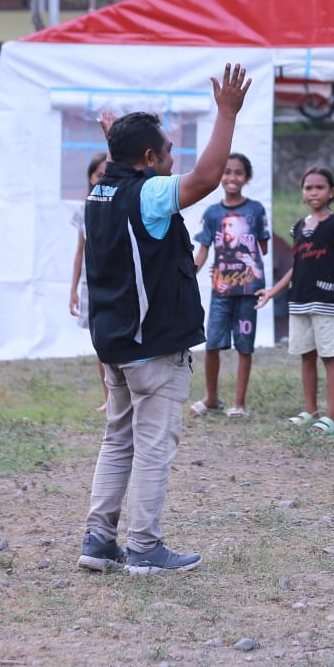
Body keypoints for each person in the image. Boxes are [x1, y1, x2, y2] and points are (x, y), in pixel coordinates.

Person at [79, 63, 251, 576]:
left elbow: (126, 167)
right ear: (149, 159)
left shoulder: (99, 191)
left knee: (118, 439)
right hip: (152, 346)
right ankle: (145, 547)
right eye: (167, 151)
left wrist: (117, 137)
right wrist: (226, 113)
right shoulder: (149, 193)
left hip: (114, 340)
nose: (173, 159)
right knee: (153, 446)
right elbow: (205, 178)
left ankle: (98, 540)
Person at [258, 167, 334, 435]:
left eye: (319, 187)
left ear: (331, 192)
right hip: (299, 301)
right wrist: (273, 291)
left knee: (329, 355)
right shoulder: (298, 227)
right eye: (308, 187)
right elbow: (296, 267)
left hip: (325, 299)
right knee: (306, 356)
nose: (313, 192)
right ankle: (311, 412)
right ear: (302, 192)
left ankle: (331, 417)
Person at [191, 153, 270, 419]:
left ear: (246, 178)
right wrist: (188, 272)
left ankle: (239, 404)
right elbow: (202, 253)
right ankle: (211, 398)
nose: (231, 177)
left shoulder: (256, 210)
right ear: (219, 176)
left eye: (238, 173)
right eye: (226, 172)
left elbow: (264, 248)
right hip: (221, 291)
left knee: (244, 345)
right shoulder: (212, 213)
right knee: (212, 343)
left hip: (250, 291)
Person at [70, 151, 110, 411]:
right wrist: (73, 289)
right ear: (90, 178)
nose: (103, 179)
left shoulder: (121, 207)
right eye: (99, 175)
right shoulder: (84, 210)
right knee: (100, 341)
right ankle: (110, 397)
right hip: (92, 284)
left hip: (117, 283)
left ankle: (123, 395)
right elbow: (80, 251)